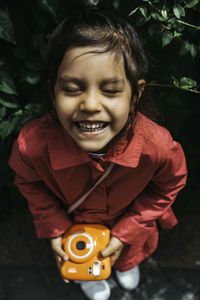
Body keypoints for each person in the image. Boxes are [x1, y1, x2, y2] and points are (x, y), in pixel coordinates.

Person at [8, 1, 187, 299]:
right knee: (81, 261)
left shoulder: (158, 148)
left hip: (129, 226)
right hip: (73, 232)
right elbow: (30, 184)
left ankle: (128, 264)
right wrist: (55, 229)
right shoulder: (32, 147)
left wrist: (127, 231)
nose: (90, 105)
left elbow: (168, 186)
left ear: (135, 95)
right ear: (54, 92)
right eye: (72, 88)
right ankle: (86, 276)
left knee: (127, 254)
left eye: (111, 90)